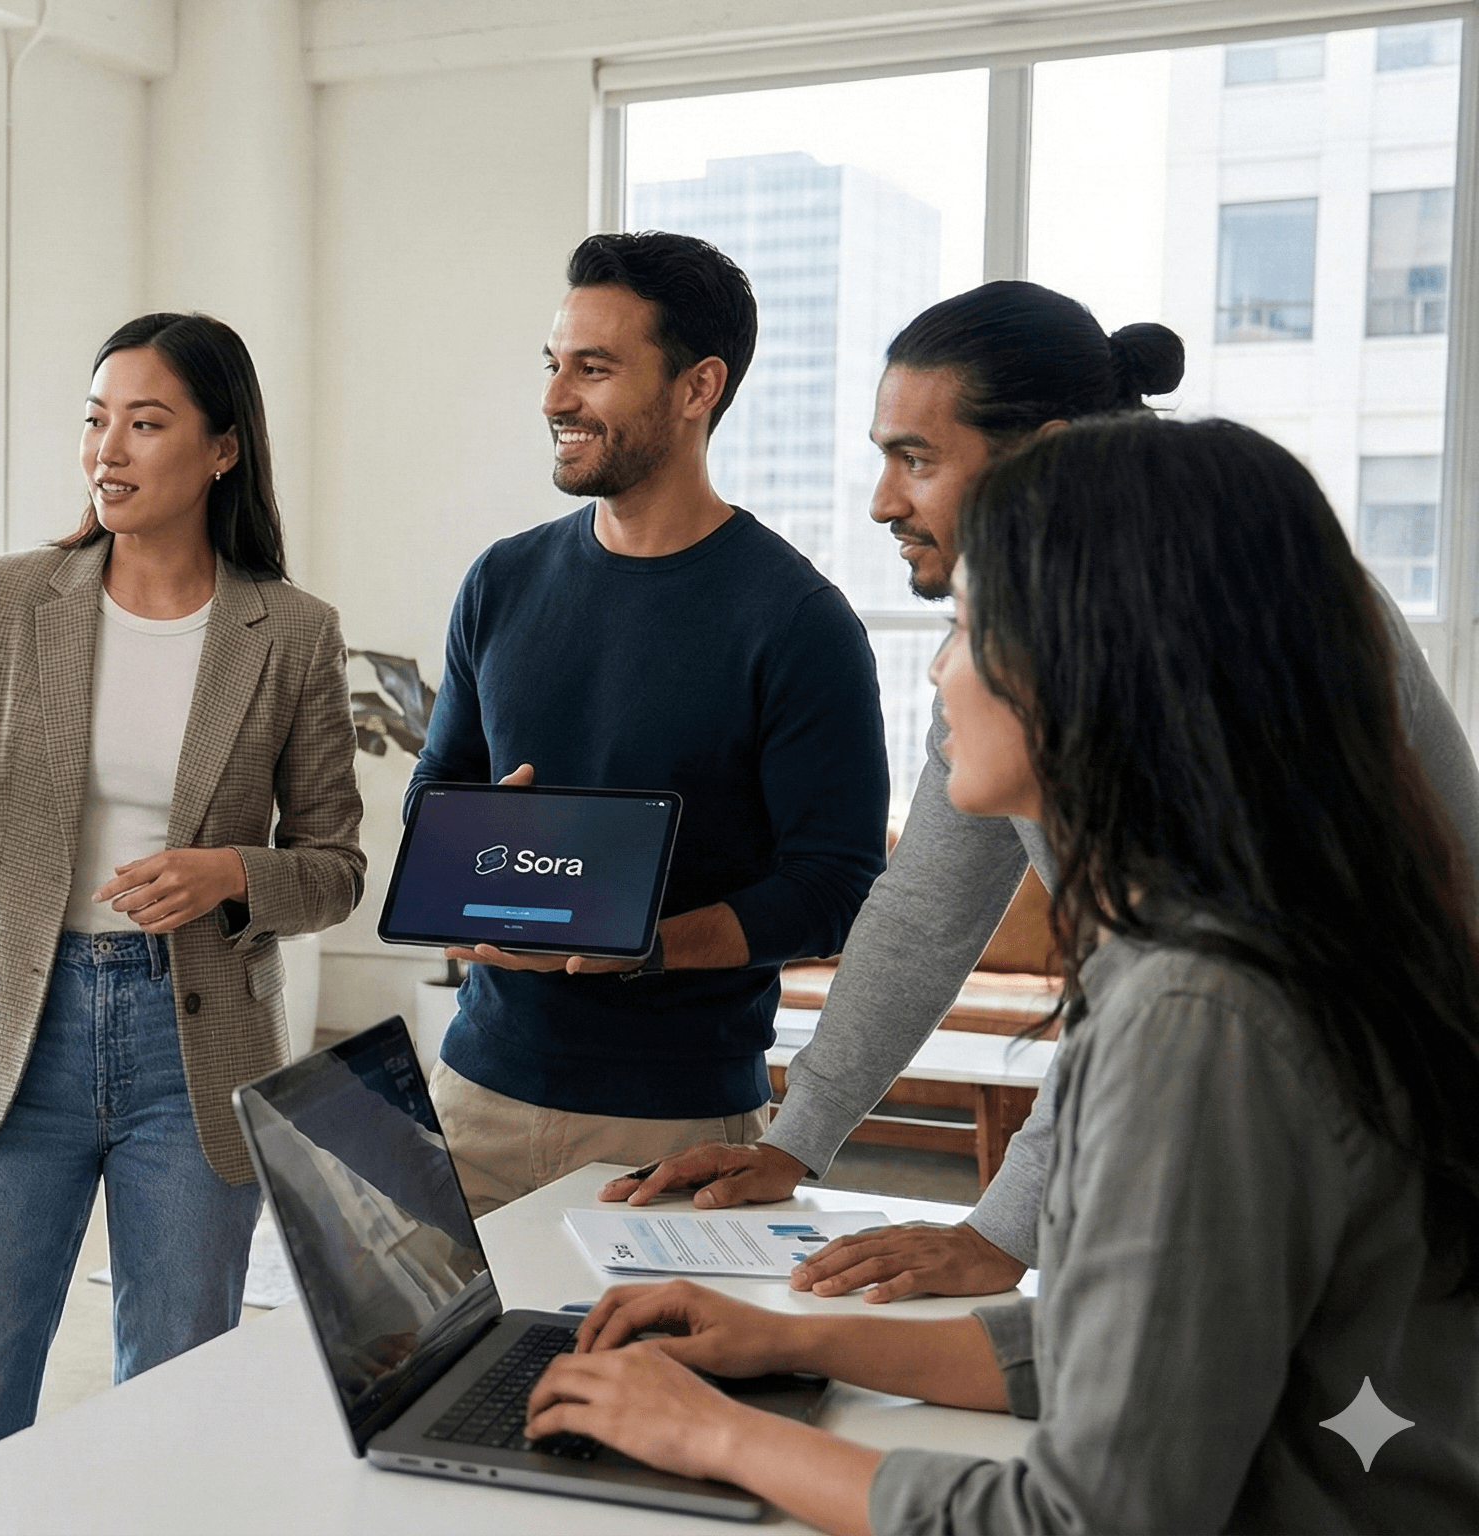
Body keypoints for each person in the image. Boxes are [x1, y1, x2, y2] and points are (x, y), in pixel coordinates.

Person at [525, 414, 1479, 1532]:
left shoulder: (1199, 1014)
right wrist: (795, 1340)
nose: (939, 672)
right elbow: (1127, 1349)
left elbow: (1088, 1518)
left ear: (1094, 669)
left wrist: (714, 1436)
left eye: (967, 629)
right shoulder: (1232, 952)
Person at [605, 282, 1479, 1304]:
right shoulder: (1025, 637)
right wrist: (793, 1141)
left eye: (916, 459)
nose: (882, 502)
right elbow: (925, 909)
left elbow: (1161, 985)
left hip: (1402, 1122)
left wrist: (1000, 1229)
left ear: (1042, 456)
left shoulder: (1211, 614)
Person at [0, 312, 364, 1478]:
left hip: (194, 1049)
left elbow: (334, 867)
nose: (107, 449)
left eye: (144, 423)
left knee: (171, 1414)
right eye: (95, 419)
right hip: (18, 1029)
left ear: (221, 449)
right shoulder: (13, 598)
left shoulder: (291, 634)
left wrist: (229, 874)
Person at [409, 231, 887, 1217]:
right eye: (552, 364)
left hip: (672, 1127)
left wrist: (646, 944)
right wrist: (471, 853)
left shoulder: (797, 620)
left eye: (593, 369)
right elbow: (434, 792)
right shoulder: (501, 580)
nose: (554, 397)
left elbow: (835, 887)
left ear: (696, 386)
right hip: (473, 1093)